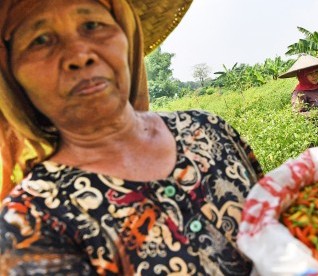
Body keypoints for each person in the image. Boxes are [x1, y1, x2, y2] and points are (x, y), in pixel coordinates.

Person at [0, 0, 263, 275]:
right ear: (11, 73)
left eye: (92, 25)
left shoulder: (207, 128)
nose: (79, 55)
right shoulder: (29, 220)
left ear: (126, 35)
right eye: (40, 40)